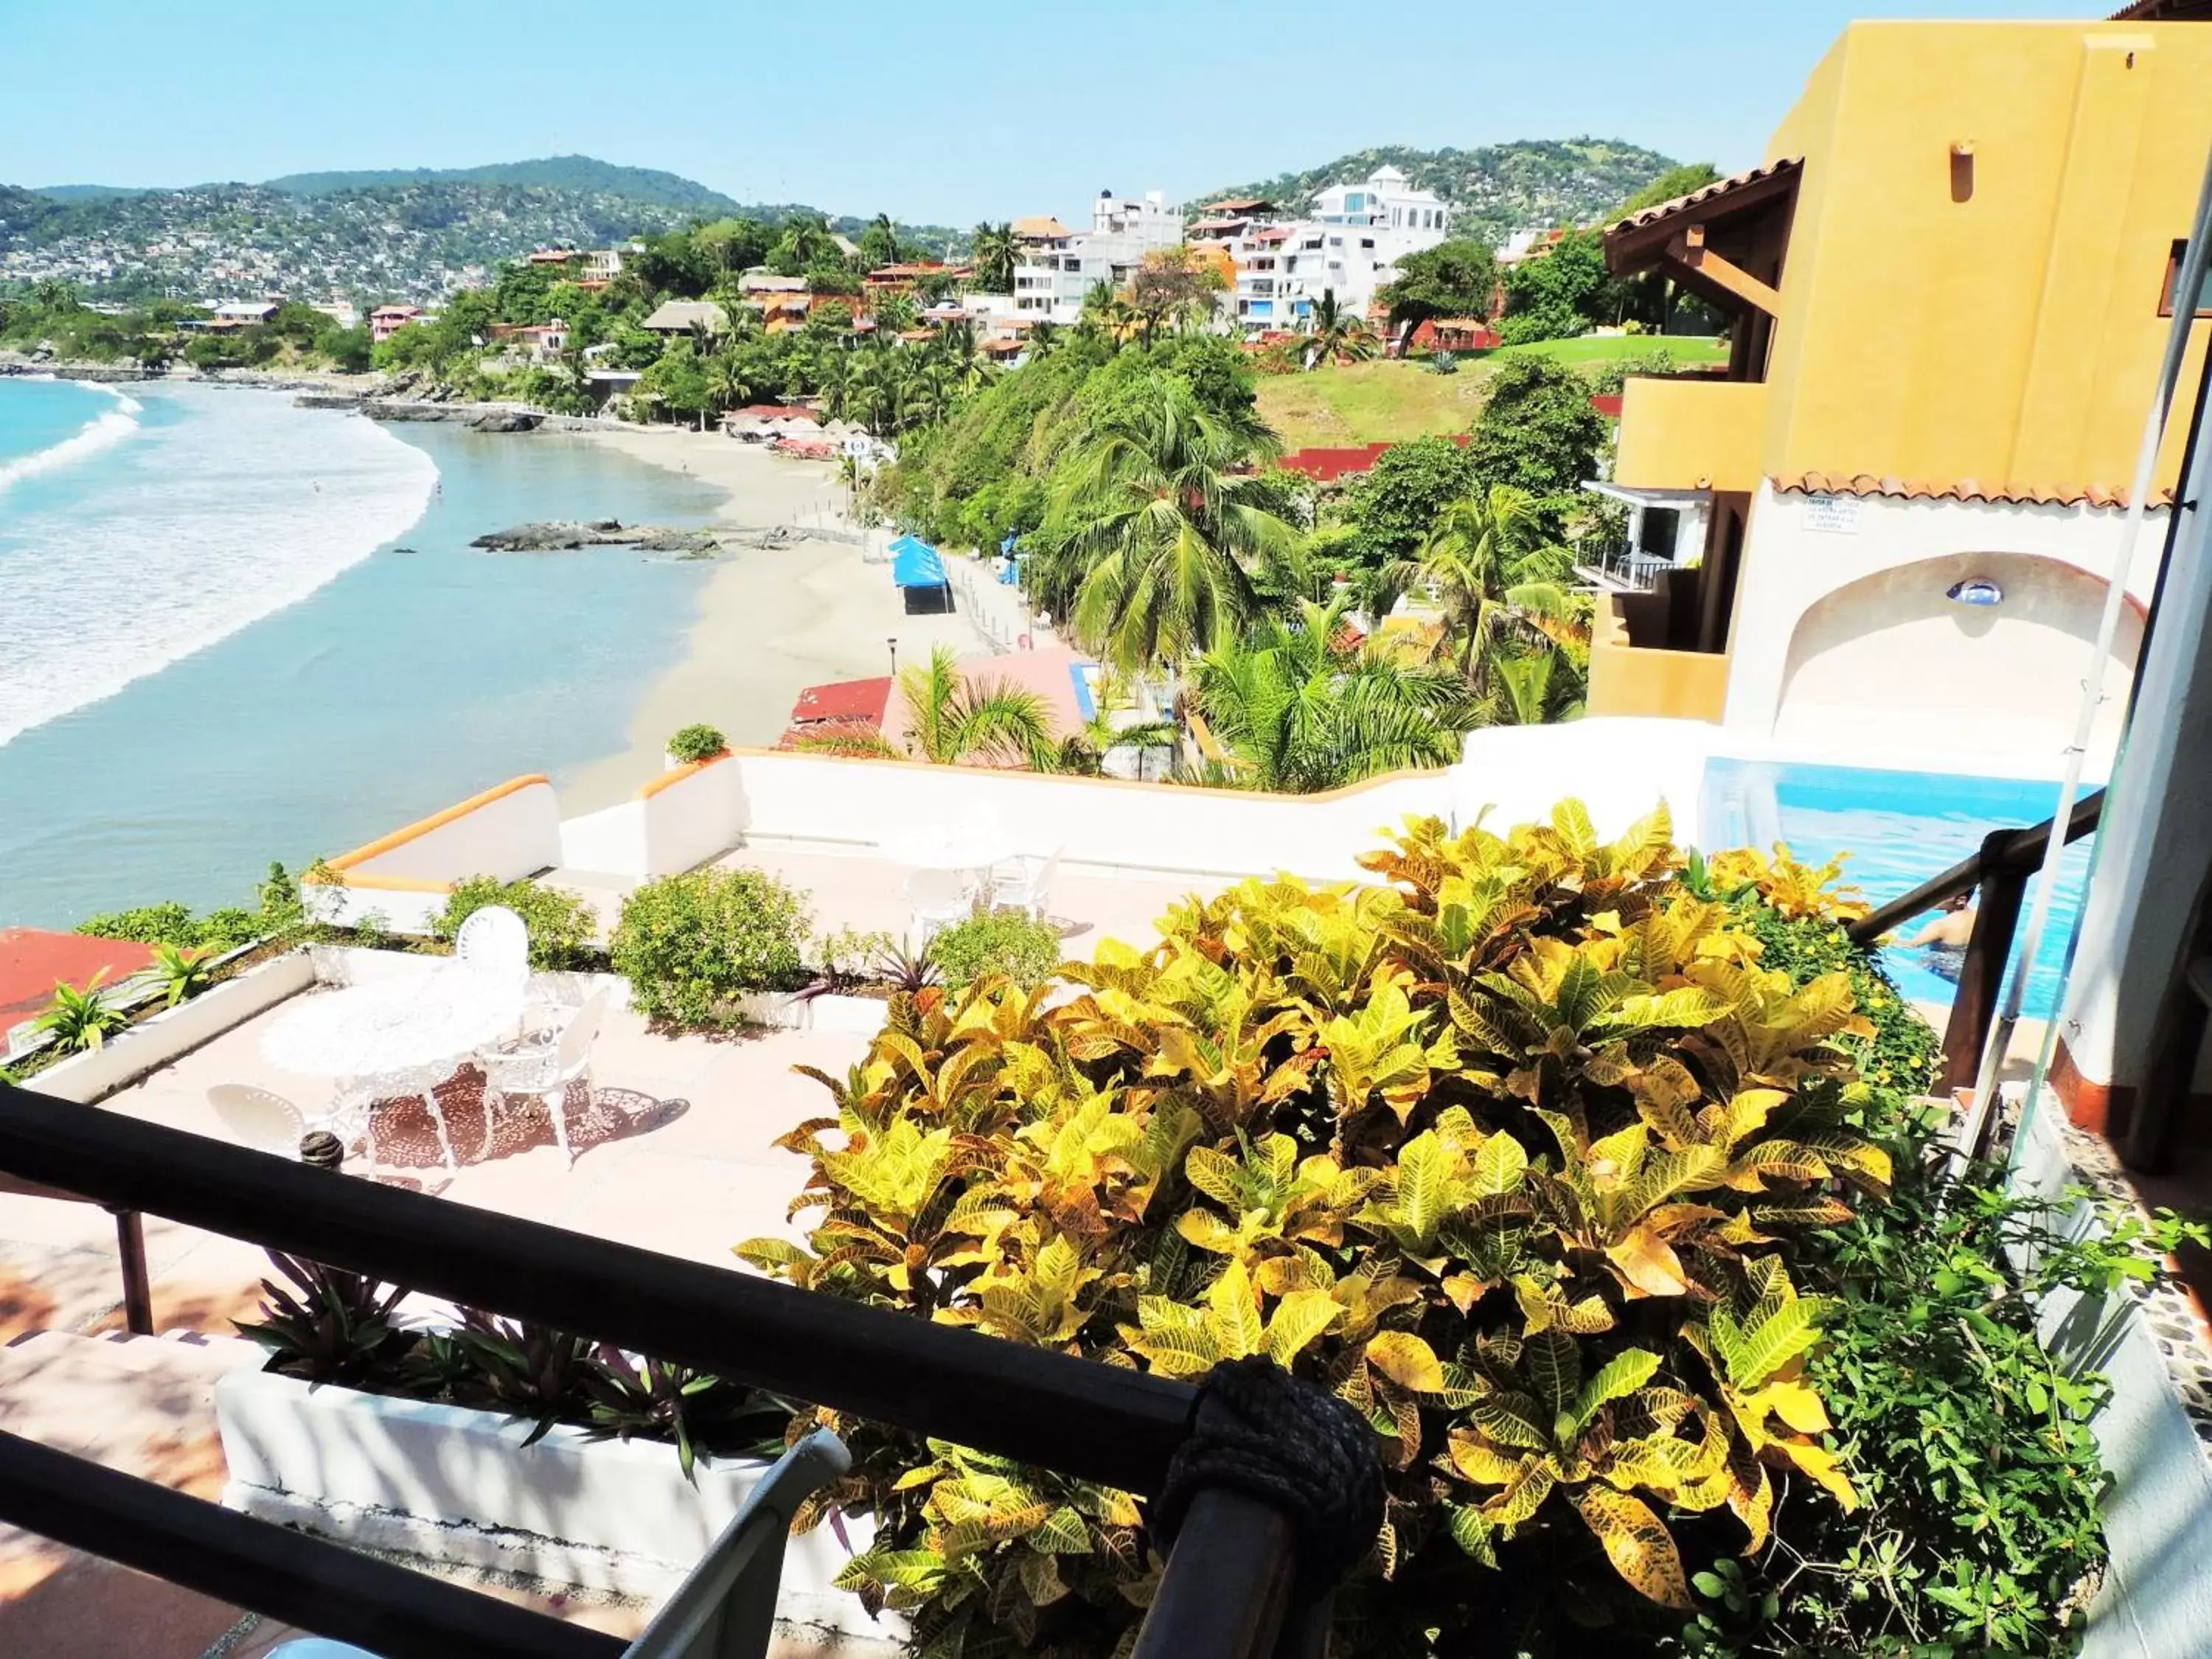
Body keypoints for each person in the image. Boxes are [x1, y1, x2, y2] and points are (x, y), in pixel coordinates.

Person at [1894, 891, 1977, 983]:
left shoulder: (1939, 926)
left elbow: (1911, 945)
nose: (1934, 896)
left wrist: (1886, 939)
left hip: (1948, 971)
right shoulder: (1978, 915)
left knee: (1923, 961)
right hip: (1971, 969)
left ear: (1961, 900)